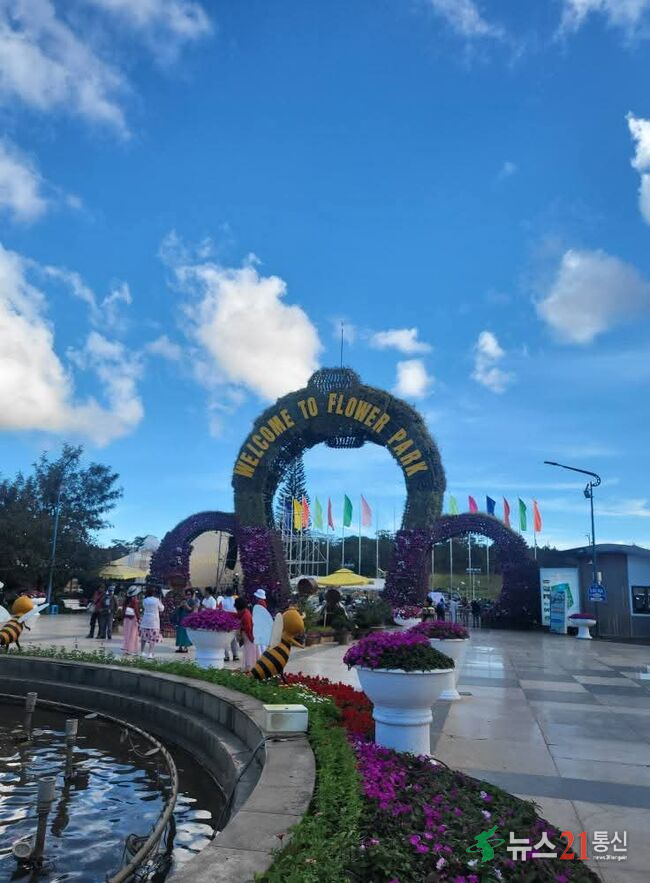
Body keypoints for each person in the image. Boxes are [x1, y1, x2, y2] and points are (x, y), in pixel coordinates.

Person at [140, 587, 165, 659]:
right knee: (152, 638)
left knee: (143, 637)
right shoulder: (157, 600)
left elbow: (144, 607)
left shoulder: (145, 600)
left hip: (145, 621)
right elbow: (162, 609)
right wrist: (161, 602)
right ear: (154, 593)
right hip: (154, 622)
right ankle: (150, 653)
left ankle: (142, 652)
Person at [235, 597, 257, 672]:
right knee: (248, 651)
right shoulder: (245, 612)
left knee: (249, 651)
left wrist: (251, 638)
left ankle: (249, 668)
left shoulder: (246, 615)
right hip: (247, 635)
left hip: (248, 636)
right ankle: (249, 666)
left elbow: (248, 628)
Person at [221, 587, 239, 662]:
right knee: (233, 639)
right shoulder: (236, 600)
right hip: (234, 621)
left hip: (225, 621)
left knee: (224, 639)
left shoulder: (223, 601)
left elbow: (220, 611)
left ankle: (226, 656)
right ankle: (235, 655)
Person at [175, 588, 196, 653]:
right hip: (181, 618)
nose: (188, 596)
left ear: (191, 595)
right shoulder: (184, 600)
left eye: (189, 594)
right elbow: (178, 608)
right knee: (180, 632)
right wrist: (181, 605)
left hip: (187, 618)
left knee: (185, 633)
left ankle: (185, 647)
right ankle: (180, 647)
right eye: (187, 594)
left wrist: (186, 605)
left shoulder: (192, 601)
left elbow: (191, 610)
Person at [121, 586, 141, 655]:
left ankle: (126, 649)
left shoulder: (126, 600)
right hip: (133, 619)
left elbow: (123, 609)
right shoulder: (135, 600)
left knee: (127, 634)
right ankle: (131, 649)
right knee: (133, 634)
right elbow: (136, 610)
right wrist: (139, 619)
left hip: (126, 618)